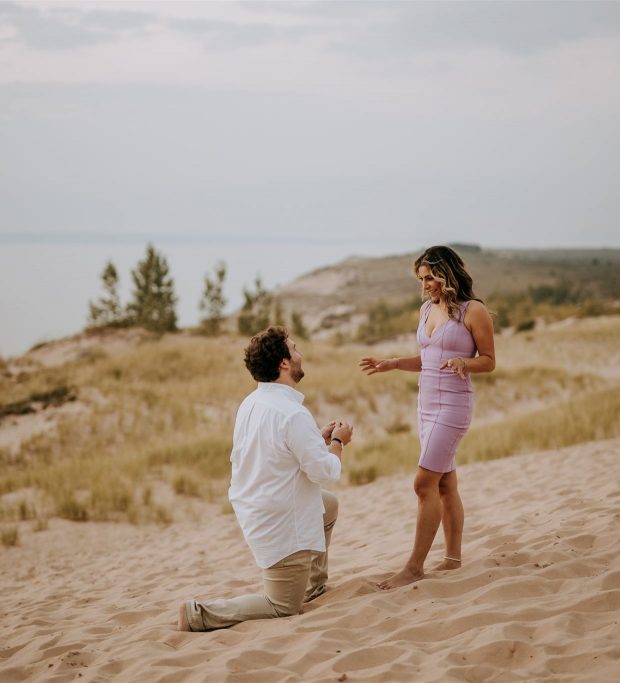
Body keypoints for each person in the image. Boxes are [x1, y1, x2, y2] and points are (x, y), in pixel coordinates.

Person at [178, 326, 354, 631]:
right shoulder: (292, 414)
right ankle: (198, 614)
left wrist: (316, 438)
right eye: (295, 348)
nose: (300, 354)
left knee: (328, 505)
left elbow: (278, 451)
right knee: (282, 606)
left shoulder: (252, 403)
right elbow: (324, 472)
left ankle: (314, 585)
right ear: (284, 363)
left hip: (257, 507)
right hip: (281, 523)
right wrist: (338, 442)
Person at [359, 245, 495, 590]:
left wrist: (466, 362)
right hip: (426, 407)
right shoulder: (426, 310)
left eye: (430, 277)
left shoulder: (473, 311)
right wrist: (393, 364)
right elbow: (427, 359)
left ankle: (414, 567)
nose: (425, 285)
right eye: (421, 279)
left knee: (423, 484)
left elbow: (489, 360)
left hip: (453, 406)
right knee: (445, 484)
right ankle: (452, 559)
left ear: (447, 275)